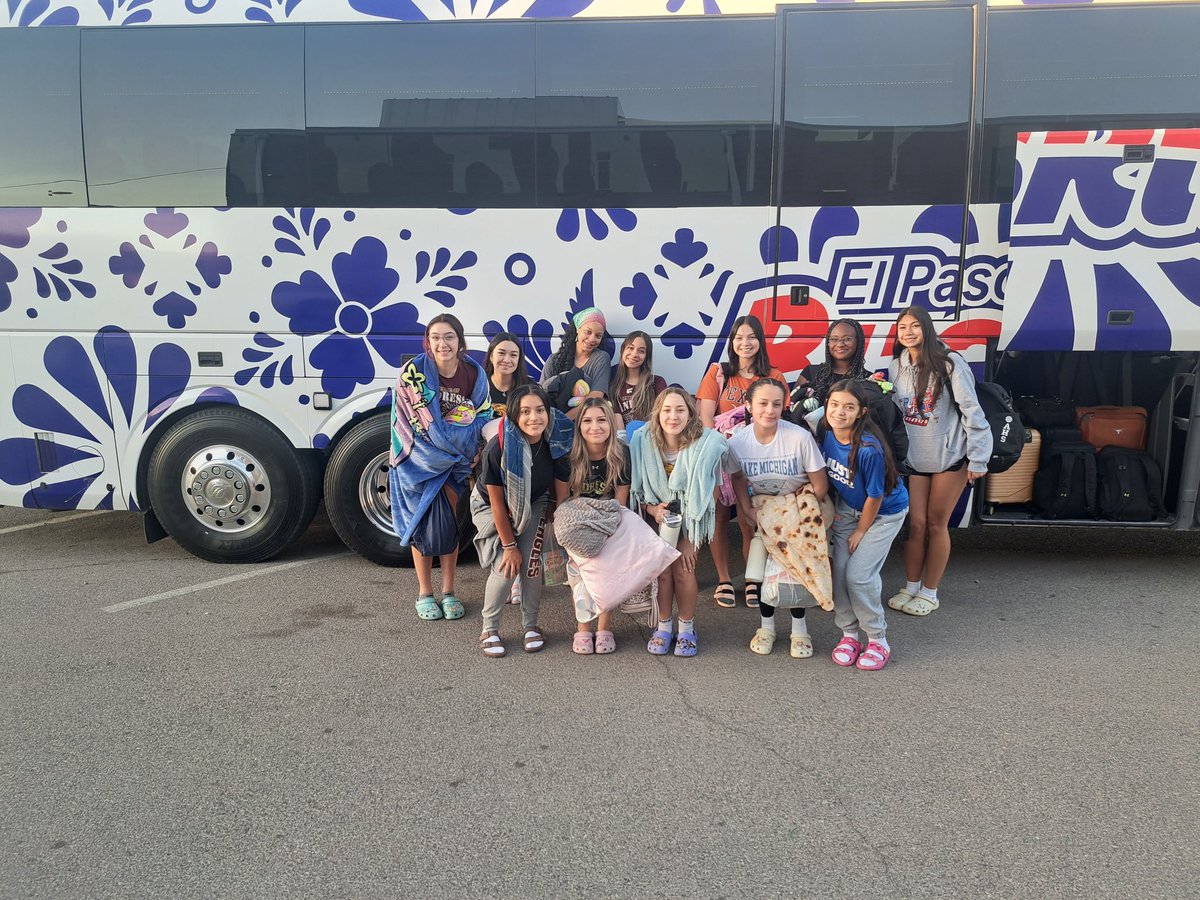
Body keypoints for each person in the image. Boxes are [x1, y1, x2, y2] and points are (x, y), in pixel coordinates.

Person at [887, 306, 992, 617]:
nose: (908, 332)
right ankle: (911, 586)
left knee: (936, 524)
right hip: (916, 460)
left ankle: (930, 592)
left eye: (915, 326)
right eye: (902, 327)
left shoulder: (949, 363)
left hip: (950, 457)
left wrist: (978, 459)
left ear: (927, 329)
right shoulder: (896, 368)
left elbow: (972, 412)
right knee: (915, 525)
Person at [389, 313, 492, 622]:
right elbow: (407, 421)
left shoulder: (474, 373)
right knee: (421, 525)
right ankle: (424, 592)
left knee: (448, 526)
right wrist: (452, 433)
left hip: (457, 464)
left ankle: (448, 591)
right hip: (420, 462)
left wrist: (459, 441)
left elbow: (482, 415)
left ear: (460, 341)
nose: (442, 343)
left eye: (449, 336)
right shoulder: (413, 373)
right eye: (435, 337)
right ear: (428, 341)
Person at [728, 379, 828, 659]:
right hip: (763, 512)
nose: (769, 410)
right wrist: (746, 509)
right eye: (762, 403)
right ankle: (766, 628)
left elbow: (820, 486)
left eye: (776, 403)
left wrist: (797, 516)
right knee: (763, 573)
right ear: (748, 405)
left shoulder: (799, 437)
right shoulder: (738, 442)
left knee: (796, 572)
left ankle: (800, 630)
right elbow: (737, 477)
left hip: (799, 511)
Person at [471, 384, 573, 658]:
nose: (534, 418)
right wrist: (508, 545)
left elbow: (561, 490)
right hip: (493, 505)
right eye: (525, 412)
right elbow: (495, 502)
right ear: (515, 415)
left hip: (535, 501)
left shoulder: (558, 441)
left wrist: (557, 521)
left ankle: (531, 625)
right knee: (506, 565)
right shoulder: (499, 447)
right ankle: (489, 628)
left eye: (540, 410)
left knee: (530, 564)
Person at [695, 314, 786, 609]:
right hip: (721, 458)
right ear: (731, 342)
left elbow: (778, 419)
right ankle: (723, 579)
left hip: (758, 461)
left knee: (750, 522)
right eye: (738, 338)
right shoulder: (719, 373)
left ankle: (751, 579)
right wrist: (721, 450)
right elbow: (705, 419)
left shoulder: (774, 375)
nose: (744, 343)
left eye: (751, 337)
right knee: (720, 518)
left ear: (760, 341)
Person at [631, 387, 728, 658]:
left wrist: (689, 539)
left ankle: (686, 629)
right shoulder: (643, 442)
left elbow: (712, 493)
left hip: (693, 517)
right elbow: (637, 493)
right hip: (658, 515)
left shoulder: (705, 444)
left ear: (690, 413)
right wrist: (653, 510)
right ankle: (663, 627)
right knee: (662, 572)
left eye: (680, 409)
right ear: (657, 414)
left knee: (684, 569)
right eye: (667, 410)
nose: (673, 416)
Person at [821, 380, 910, 671]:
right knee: (840, 573)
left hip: (883, 513)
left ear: (861, 412)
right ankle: (849, 634)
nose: (840, 412)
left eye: (849, 407)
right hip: (849, 510)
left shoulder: (868, 449)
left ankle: (877, 638)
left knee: (859, 576)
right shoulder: (826, 433)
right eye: (834, 404)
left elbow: (875, 495)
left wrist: (861, 530)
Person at [565, 396, 631, 655]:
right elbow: (564, 504)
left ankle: (604, 627)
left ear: (611, 425)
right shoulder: (570, 456)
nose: (596, 427)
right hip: (576, 520)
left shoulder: (620, 453)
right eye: (588, 421)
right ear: (579, 425)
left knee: (605, 571)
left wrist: (610, 532)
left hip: (608, 518)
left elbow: (621, 502)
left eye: (602, 420)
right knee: (579, 576)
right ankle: (583, 627)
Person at [540, 307, 612, 421]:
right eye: (588, 332)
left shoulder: (601, 358)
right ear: (577, 329)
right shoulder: (554, 359)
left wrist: (563, 421)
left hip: (583, 423)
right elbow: (540, 395)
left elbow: (596, 396)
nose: (592, 339)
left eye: (598, 336)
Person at [790, 318, 870, 413]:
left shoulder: (868, 379)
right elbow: (793, 408)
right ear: (828, 342)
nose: (840, 344)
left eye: (847, 339)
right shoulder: (811, 372)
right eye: (834, 339)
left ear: (859, 341)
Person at [609, 330, 666, 427]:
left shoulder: (657, 382)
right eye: (630, 348)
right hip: (624, 438)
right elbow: (616, 418)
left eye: (641, 351)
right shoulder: (613, 383)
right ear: (623, 350)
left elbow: (664, 414)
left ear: (646, 356)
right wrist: (623, 440)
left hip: (650, 436)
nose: (634, 354)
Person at [483, 331, 532, 421]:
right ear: (491, 356)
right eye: (501, 353)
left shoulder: (530, 387)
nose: (506, 360)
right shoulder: (479, 384)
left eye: (513, 355)